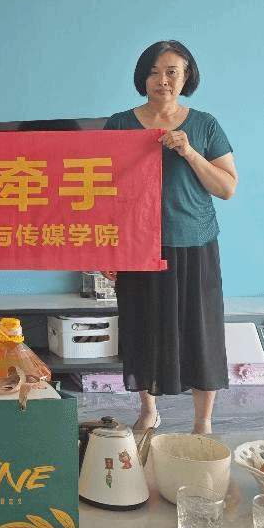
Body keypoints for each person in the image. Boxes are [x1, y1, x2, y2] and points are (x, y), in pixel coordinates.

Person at [102, 40, 237, 435]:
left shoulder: (205, 125)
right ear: (142, 78)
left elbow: (227, 187)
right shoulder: (119, 125)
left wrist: (190, 153)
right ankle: (149, 410)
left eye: (172, 72)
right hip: (137, 244)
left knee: (201, 330)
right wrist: (106, 249)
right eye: (154, 72)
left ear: (186, 77)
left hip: (195, 241)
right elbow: (102, 192)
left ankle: (203, 422)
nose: (162, 80)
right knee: (143, 327)